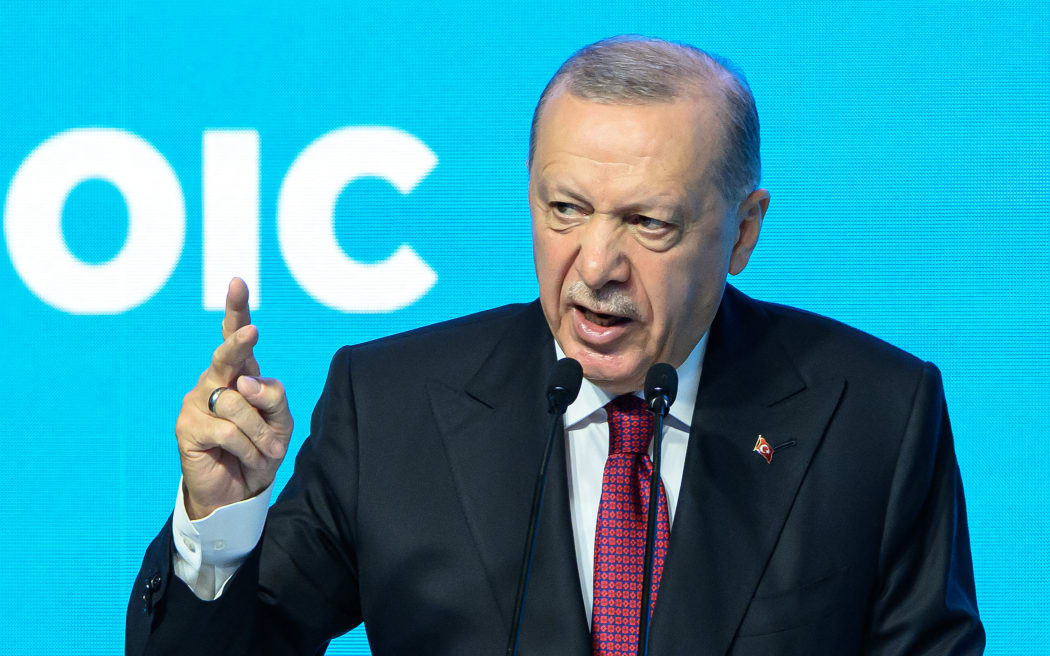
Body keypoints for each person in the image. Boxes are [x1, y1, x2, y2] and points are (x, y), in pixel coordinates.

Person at [126, 36, 984, 655]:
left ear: (743, 231)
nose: (596, 266)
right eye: (564, 210)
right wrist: (221, 524)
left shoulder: (874, 413)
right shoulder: (390, 405)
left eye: (648, 223)